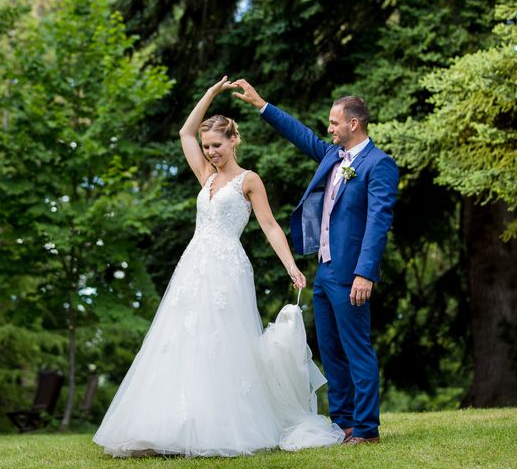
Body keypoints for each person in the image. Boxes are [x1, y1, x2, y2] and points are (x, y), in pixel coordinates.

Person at [92, 76, 344, 457]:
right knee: (181, 341)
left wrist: (291, 265)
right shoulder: (205, 176)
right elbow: (185, 132)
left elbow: (270, 226)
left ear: (233, 141)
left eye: (217, 146)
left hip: (228, 268)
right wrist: (211, 94)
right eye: (207, 147)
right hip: (193, 266)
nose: (210, 152)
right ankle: (173, 426)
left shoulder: (249, 180)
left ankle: (223, 425)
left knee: (221, 344)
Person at [232, 79, 399, 444]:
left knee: (357, 349)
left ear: (353, 123)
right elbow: (302, 135)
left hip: (352, 273)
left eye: (334, 122)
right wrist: (262, 104)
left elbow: (378, 224)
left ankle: (368, 429)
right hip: (324, 271)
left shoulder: (379, 165)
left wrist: (365, 273)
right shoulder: (332, 157)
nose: (329, 128)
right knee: (330, 350)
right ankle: (344, 424)